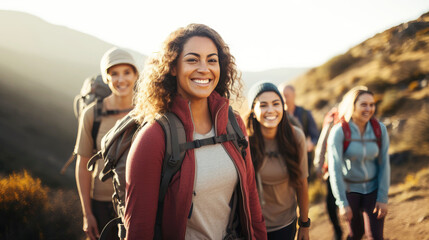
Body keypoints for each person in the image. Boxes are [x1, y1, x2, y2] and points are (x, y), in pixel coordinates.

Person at [125, 23, 266, 240]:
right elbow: (139, 230)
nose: (204, 68)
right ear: (173, 67)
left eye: (212, 60)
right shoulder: (153, 138)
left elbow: (251, 201)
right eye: (192, 59)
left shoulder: (233, 123)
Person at [75, 47, 139, 240]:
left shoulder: (146, 112)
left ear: (136, 75)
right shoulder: (92, 115)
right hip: (101, 203)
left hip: (138, 201)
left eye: (127, 72)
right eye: (114, 73)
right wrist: (87, 214)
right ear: (106, 77)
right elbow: (83, 165)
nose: (121, 80)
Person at [246, 81, 310, 240]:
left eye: (276, 104)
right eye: (263, 105)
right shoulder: (245, 142)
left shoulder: (295, 137)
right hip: (251, 227)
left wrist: (304, 224)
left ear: (283, 107)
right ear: (253, 111)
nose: (271, 110)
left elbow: (302, 183)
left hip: (286, 225)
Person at [327, 86, 390, 240]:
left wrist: (382, 197)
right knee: (355, 234)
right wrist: (342, 203)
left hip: (373, 190)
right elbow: (334, 169)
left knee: (376, 236)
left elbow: (384, 164)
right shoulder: (339, 131)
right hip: (350, 192)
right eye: (363, 104)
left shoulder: (379, 129)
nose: (369, 108)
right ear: (352, 105)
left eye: (372, 104)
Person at [313, 106, 343, 240]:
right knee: (331, 202)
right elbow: (323, 141)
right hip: (332, 168)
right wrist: (318, 164)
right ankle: (337, 230)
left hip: (353, 170)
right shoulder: (333, 118)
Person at [282, 85, 319, 178]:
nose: (284, 99)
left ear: (294, 95)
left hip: (305, 158)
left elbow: (315, 135)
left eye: (286, 95)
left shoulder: (305, 114)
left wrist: (311, 143)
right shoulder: (278, 115)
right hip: (284, 159)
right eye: (282, 96)